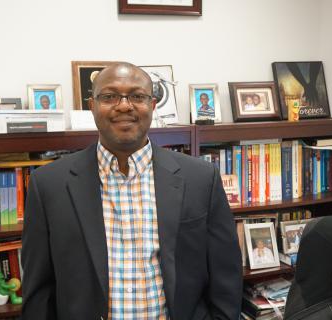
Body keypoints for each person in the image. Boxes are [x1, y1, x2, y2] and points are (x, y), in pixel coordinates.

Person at [21, 62, 242, 320]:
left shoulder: (202, 179)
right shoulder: (48, 185)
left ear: (153, 106)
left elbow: (226, 276)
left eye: (137, 96)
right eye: (109, 96)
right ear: (92, 106)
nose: (124, 105)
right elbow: (38, 292)